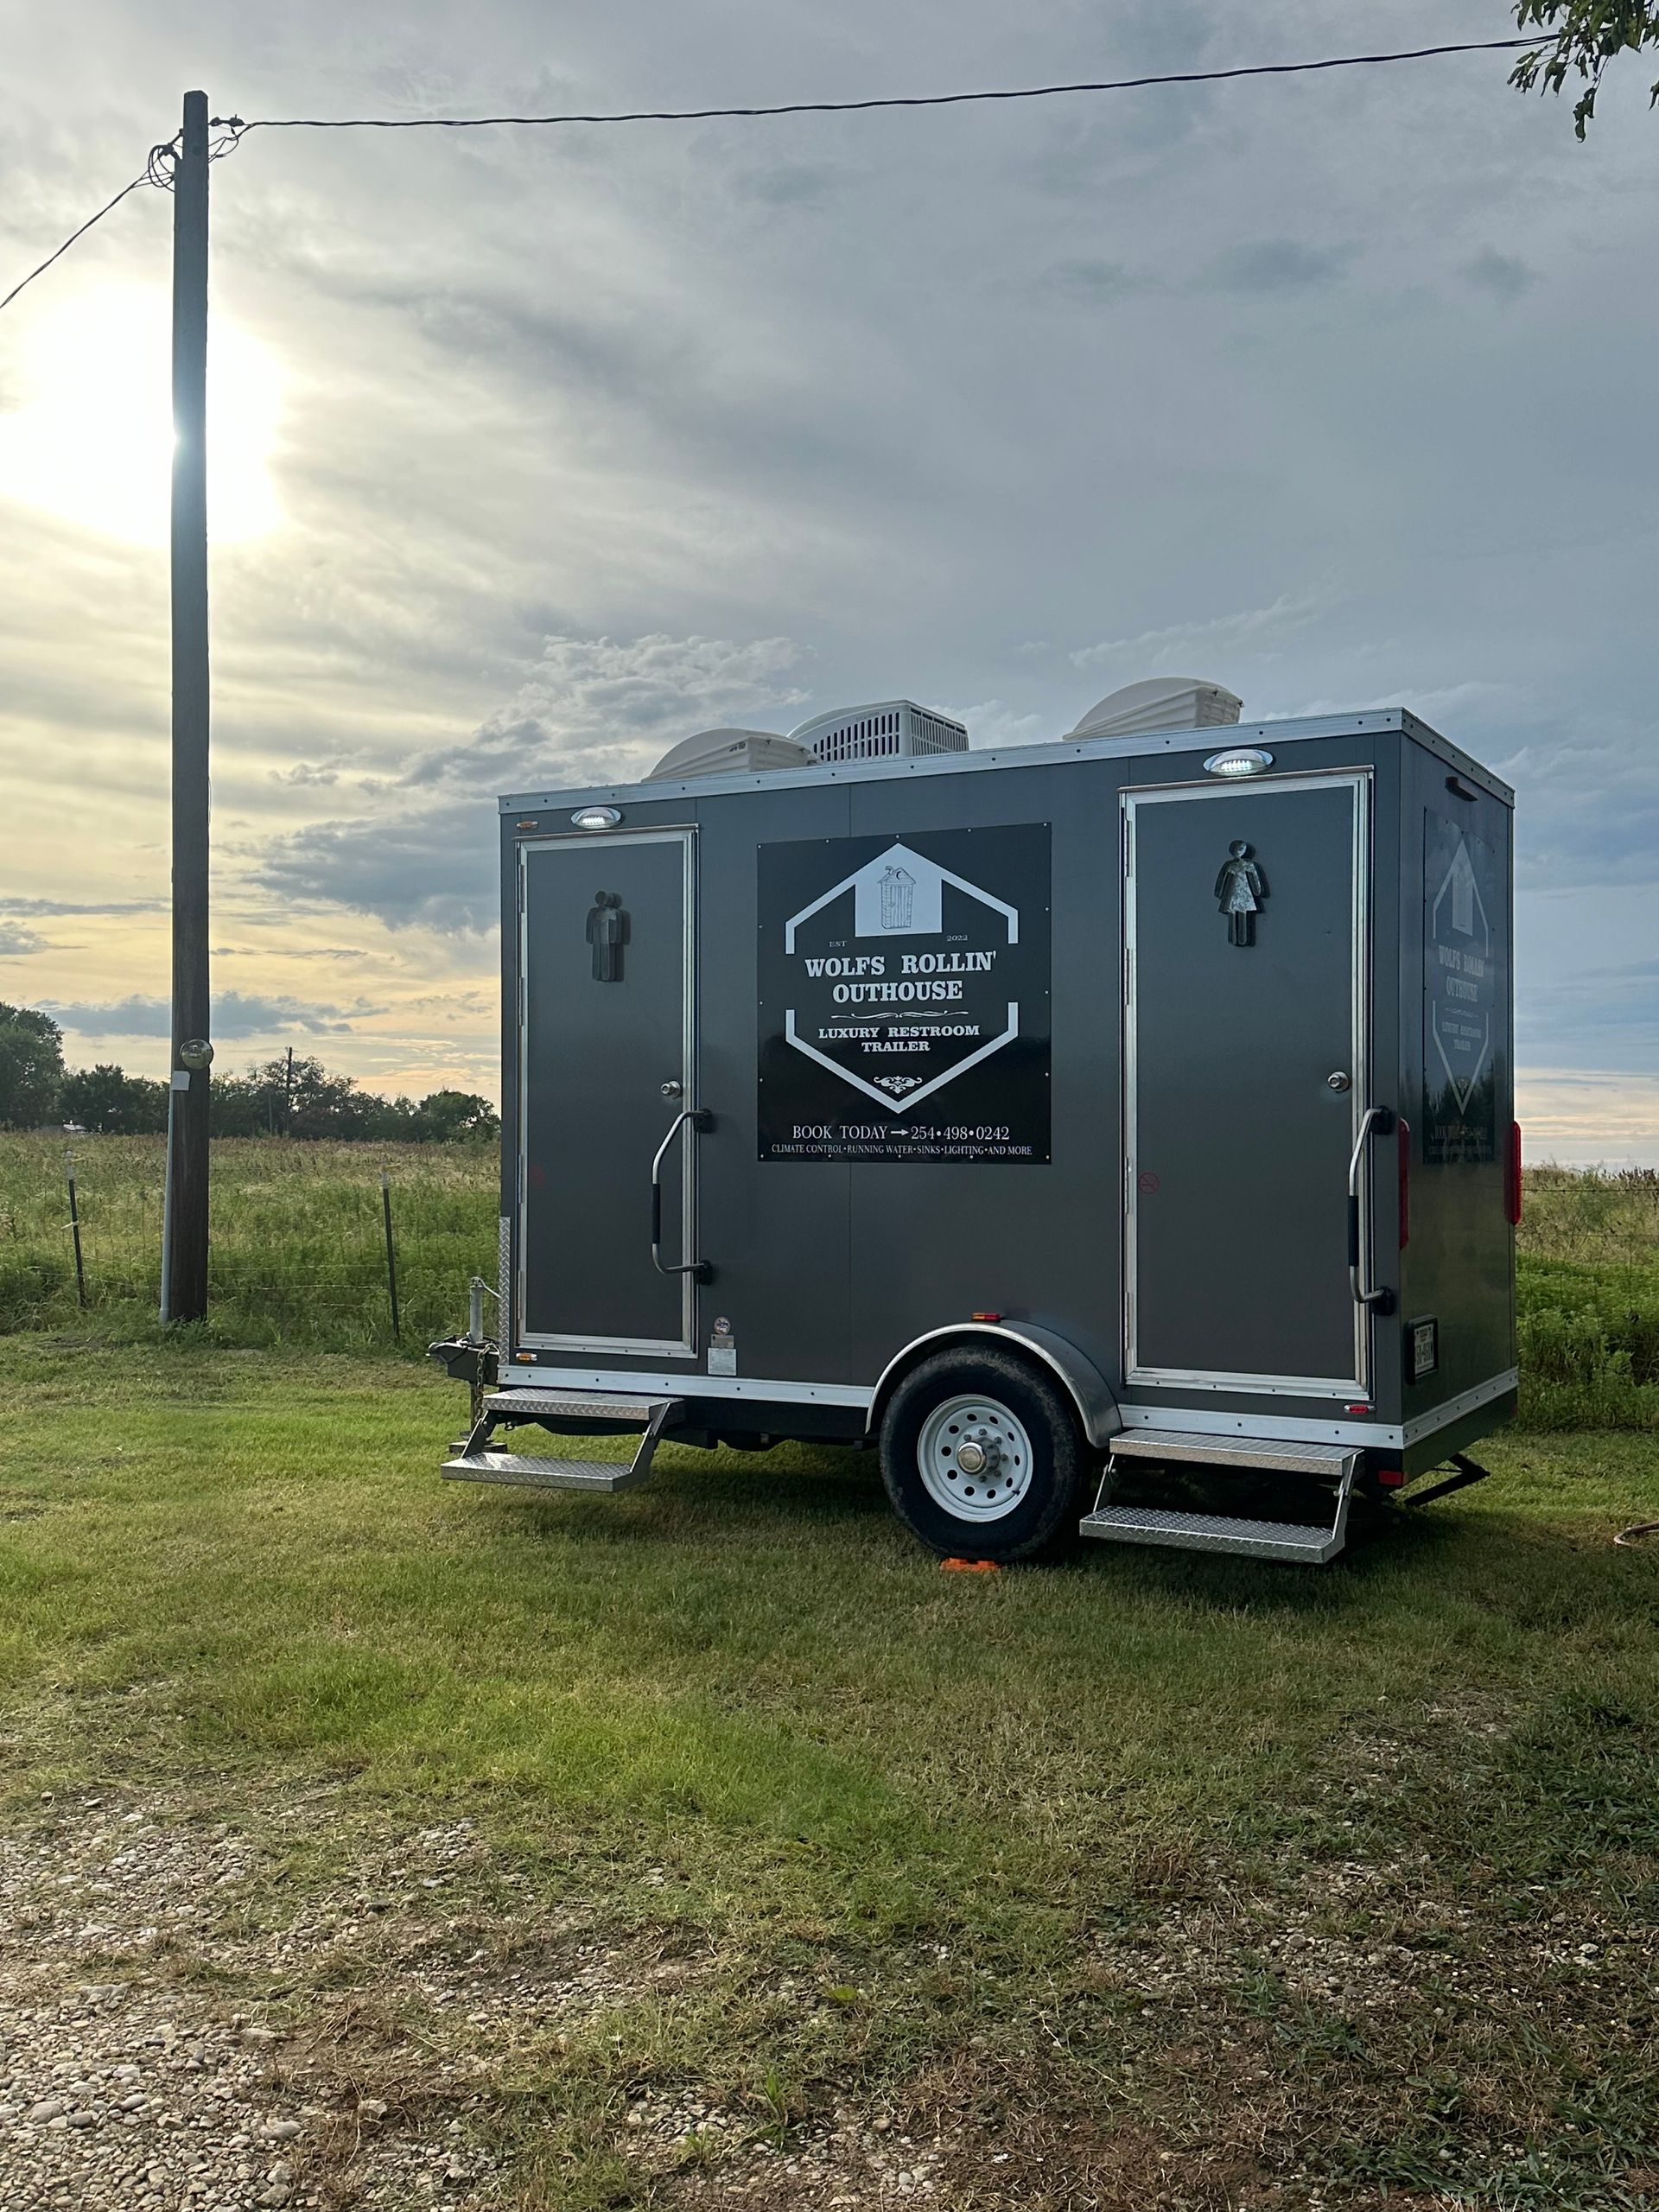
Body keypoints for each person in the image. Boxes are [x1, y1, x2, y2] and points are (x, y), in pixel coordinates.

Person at [1214, 841, 1268, 947]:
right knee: (1236, 913)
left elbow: (1255, 879)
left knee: (1241, 913)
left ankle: (1241, 938)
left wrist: (1219, 893)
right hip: (1236, 893)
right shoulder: (1233, 865)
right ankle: (1238, 938)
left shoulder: (1242, 865)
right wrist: (1258, 891)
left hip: (1241, 893)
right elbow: (1224, 879)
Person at [586, 890, 629, 982]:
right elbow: (590, 927)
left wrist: (614, 939)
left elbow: (615, 928)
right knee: (597, 956)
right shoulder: (593, 912)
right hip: (597, 937)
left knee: (607, 958)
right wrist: (590, 938)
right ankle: (597, 975)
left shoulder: (613, 913)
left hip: (607, 939)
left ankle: (606, 975)